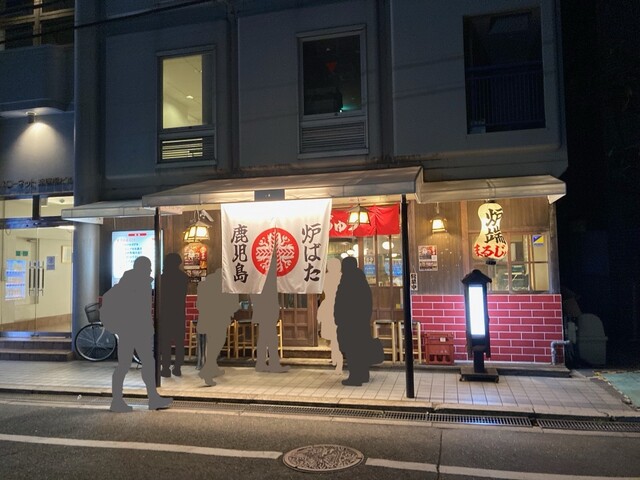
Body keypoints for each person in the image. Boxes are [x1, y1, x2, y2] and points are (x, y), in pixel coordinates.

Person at [104, 256, 172, 412]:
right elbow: (139, 309)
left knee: (131, 365)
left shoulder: (130, 281)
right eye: (148, 267)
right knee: (140, 364)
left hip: (129, 330)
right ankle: (147, 399)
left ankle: (123, 400)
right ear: (142, 268)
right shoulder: (138, 282)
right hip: (136, 330)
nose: (150, 269)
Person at [334, 256, 373, 386]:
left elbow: (343, 303)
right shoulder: (362, 280)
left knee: (352, 351)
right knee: (360, 349)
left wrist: (339, 319)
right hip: (361, 323)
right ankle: (363, 375)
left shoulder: (347, 280)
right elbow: (368, 303)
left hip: (349, 324)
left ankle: (355, 377)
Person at [196, 268, 238, 386]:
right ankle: (207, 372)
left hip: (206, 320)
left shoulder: (203, 286)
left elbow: (198, 305)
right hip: (219, 320)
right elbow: (234, 306)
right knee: (217, 344)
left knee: (211, 344)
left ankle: (213, 368)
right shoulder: (226, 287)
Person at [251, 253, 289, 373]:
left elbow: (253, 294)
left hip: (262, 310)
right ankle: (273, 364)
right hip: (268, 309)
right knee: (271, 338)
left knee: (263, 337)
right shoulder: (269, 277)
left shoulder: (258, 276)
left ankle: (261, 363)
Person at [158, 253, 189, 377]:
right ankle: (178, 367)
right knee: (179, 342)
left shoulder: (162, 278)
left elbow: (159, 296)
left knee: (165, 342)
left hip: (165, 313)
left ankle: (165, 368)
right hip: (179, 313)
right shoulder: (183, 277)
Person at [317, 257, 342, 374]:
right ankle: (336, 359)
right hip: (338, 308)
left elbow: (322, 293)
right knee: (336, 336)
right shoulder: (342, 277)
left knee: (334, 336)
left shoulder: (325, 278)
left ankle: (336, 360)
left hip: (329, 308)